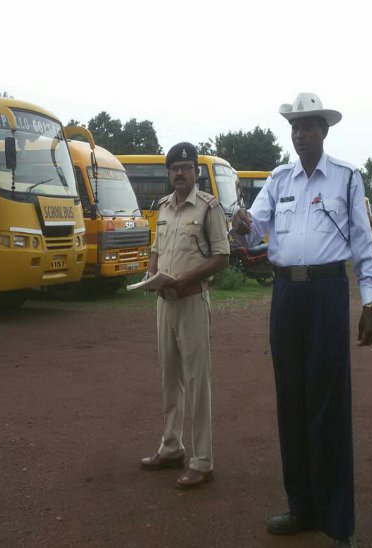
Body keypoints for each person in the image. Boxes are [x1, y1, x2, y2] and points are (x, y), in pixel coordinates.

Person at [232, 93, 372, 547]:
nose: (300, 134)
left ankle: (338, 519)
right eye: (295, 127)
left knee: (328, 404)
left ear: (324, 131)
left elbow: (363, 243)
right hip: (286, 295)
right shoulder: (279, 179)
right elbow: (254, 231)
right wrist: (241, 224)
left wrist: (370, 302)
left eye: (308, 127)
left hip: (326, 293)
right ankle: (301, 506)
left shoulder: (346, 178)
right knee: (291, 402)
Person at [139, 142, 230, 489]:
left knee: (196, 380)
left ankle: (202, 460)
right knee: (169, 377)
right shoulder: (163, 207)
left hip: (192, 301)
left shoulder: (209, 207)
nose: (180, 173)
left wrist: (188, 278)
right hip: (164, 303)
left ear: (196, 172)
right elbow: (156, 248)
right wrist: (151, 273)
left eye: (186, 167)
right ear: (168, 173)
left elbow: (222, 256)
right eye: (174, 168)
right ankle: (171, 447)